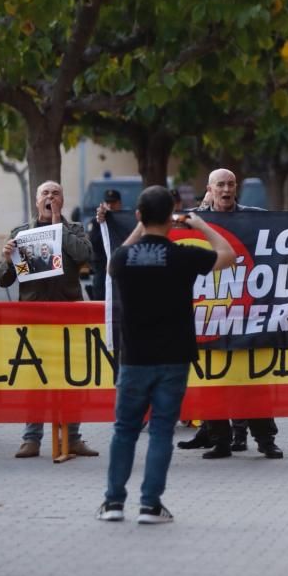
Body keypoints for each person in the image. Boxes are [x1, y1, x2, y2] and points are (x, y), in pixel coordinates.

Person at [97, 186, 235, 524]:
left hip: (134, 358)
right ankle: (150, 505)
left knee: (124, 430)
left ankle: (113, 503)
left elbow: (119, 255)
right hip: (173, 357)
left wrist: (138, 226)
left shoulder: (122, 259)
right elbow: (228, 255)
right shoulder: (182, 254)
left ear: (140, 216)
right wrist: (199, 225)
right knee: (161, 431)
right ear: (171, 219)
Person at [177, 168, 283, 460]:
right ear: (210, 189)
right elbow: (154, 227)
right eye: (220, 185)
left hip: (246, 312)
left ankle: (266, 440)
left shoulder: (253, 217)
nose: (226, 189)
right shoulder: (191, 220)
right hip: (208, 314)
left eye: (231, 184)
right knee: (214, 381)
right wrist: (106, 221)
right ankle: (220, 440)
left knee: (253, 381)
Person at [0, 180, 99, 458]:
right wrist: (7, 259)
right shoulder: (21, 234)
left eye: (55, 193)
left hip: (69, 316)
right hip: (35, 317)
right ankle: (32, 438)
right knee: (35, 378)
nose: (50, 196)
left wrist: (57, 226)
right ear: (36, 199)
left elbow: (85, 255)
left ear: (62, 200)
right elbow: (3, 280)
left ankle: (73, 437)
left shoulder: (74, 229)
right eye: (45, 193)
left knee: (71, 379)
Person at [87, 188, 130, 301]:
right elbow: (93, 243)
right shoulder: (96, 222)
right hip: (102, 268)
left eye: (113, 203)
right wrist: (100, 223)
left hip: (121, 267)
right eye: (108, 203)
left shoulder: (124, 221)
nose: (110, 206)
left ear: (119, 203)